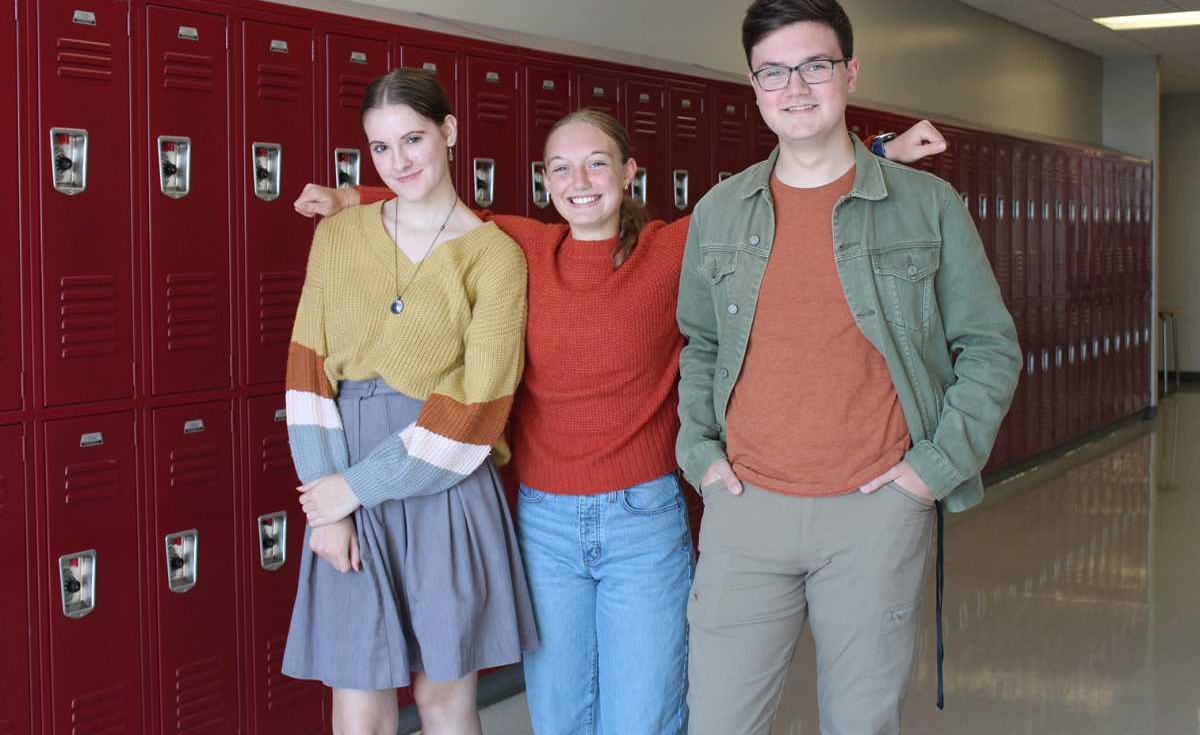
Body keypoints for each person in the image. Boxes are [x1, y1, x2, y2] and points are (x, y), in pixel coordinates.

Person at [295, 108, 943, 733]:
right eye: (561, 169)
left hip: (642, 524)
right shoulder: (522, 246)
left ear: (630, 171)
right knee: (560, 718)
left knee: (644, 717)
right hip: (544, 526)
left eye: (597, 164)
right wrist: (351, 198)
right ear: (545, 181)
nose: (579, 183)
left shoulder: (669, 251)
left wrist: (879, 152)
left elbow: (770, 195)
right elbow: (431, 199)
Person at [675, 0, 1022, 735]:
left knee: (861, 724)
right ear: (754, 87)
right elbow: (700, 343)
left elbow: (990, 347)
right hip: (743, 508)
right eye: (774, 71)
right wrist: (699, 453)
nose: (795, 88)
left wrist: (929, 473)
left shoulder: (927, 205)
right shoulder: (719, 211)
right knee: (718, 722)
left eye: (815, 66)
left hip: (875, 508)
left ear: (851, 73)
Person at [282, 67, 537, 735]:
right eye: (381, 148)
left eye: (414, 139)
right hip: (341, 475)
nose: (399, 162)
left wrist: (354, 489)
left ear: (450, 132)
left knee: (442, 699)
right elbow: (307, 374)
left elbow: (478, 407)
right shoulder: (338, 235)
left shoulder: (494, 258)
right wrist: (327, 504)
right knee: (358, 698)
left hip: (442, 485)